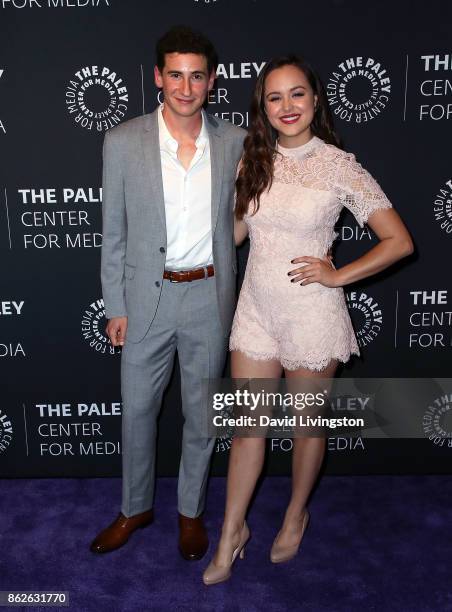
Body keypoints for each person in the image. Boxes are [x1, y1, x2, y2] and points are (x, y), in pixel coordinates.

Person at [203, 55, 414, 585]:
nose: (287, 106)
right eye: (274, 97)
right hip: (255, 310)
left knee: (305, 427)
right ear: (264, 108)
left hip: (311, 316)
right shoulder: (251, 162)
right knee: (246, 428)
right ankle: (232, 532)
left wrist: (338, 275)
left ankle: (296, 512)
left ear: (315, 100)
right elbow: (232, 239)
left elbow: (399, 241)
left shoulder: (340, 165)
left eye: (297, 94)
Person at [90, 26, 246, 561]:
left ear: (211, 81)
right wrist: (115, 304)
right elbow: (114, 231)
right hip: (145, 300)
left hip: (208, 297)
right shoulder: (122, 140)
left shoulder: (235, 142)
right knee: (137, 411)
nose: (185, 87)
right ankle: (135, 507)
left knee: (201, 416)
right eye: (175, 75)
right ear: (158, 77)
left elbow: (250, 216)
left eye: (196, 76)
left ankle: (190, 513)